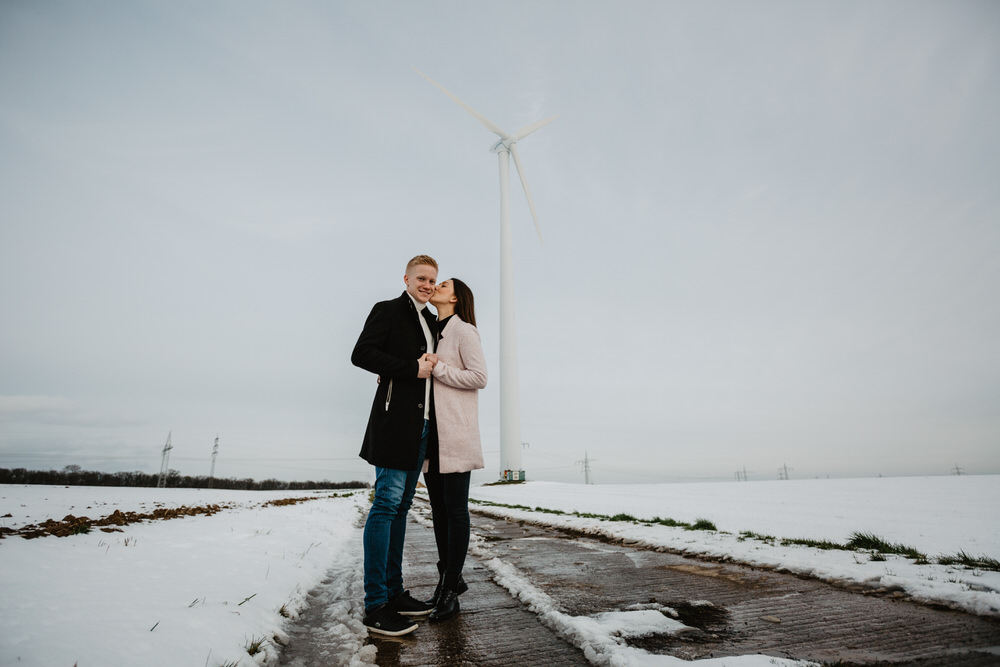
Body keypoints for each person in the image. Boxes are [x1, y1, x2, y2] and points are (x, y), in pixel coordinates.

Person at [351, 255, 441, 636]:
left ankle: (394, 593)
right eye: (421, 278)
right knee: (386, 505)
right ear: (406, 278)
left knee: (402, 507)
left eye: (432, 280)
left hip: (421, 427)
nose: (427, 284)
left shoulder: (433, 321)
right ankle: (376, 605)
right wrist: (409, 368)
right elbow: (362, 354)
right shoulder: (387, 310)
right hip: (394, 423)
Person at [422, 278, 487, 621]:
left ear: (456, 297)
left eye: (443, 283)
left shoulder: (465, 331)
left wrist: (440, 368)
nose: (436, 286)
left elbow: (479, 376)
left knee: (456, 509)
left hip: (456, 433)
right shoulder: (431, 329)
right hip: (432, 433)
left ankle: (449, 591)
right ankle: (449, 578)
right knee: (438, 510)